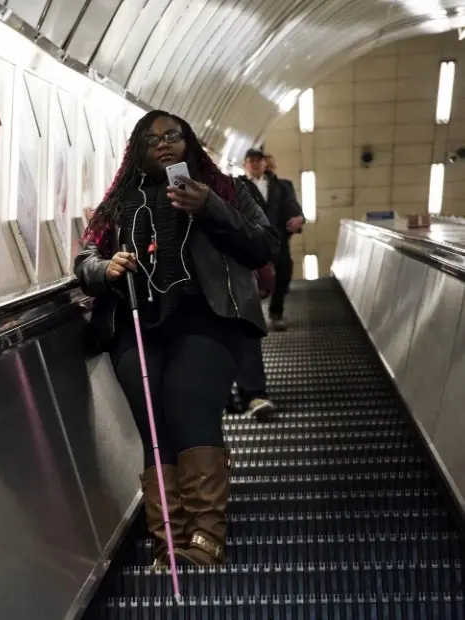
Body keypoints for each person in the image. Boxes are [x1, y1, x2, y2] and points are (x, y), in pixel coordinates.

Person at [75, 111, 280, 566]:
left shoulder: (226, 189)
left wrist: (211, 208)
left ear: (188, 142)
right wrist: (104, 268)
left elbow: (264, 245)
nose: (164, 145)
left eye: (173, 136)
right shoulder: (117, 204)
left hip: (208, 318)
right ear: (138, 152)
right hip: (135, 325)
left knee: (188, 408)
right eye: (152, 141)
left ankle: (206, 538)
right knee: (154, 428)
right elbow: (86, 257)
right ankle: (169, 542)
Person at [240, 149, 302, 330]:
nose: (255, 163)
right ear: (245, 165)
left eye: (258, 160)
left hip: (278, 239)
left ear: (264, 163)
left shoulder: (282, 185)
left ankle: (276, 313)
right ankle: (253, 317)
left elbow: (294, 209)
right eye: (251, 160)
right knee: (251, 280)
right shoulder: (238, 185)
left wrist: (300, 219)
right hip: (251, 240)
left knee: (284, 273)